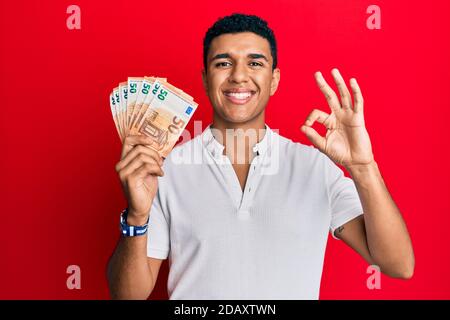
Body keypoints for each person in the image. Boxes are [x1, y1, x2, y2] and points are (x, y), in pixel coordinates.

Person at [107, 13, 414, 300]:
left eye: (255, 63)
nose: (239, 76)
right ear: (205, 79)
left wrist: (363, 167)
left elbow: (398, 265)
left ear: (274, 80)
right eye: (223, 63)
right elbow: (129, 295)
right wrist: (136, 216)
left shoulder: (315, 168)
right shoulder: (166, 169)